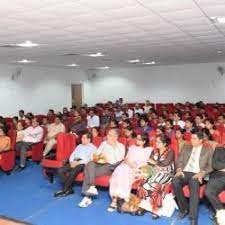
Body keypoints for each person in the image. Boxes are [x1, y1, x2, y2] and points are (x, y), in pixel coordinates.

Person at [172, 129, 213, 225]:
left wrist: (201, 173)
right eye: (191, 138)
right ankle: (184, 209)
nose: (191, 140)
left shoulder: (208, 149)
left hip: (197, 173)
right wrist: (179, 170)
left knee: (193, 183)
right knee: (175, 181)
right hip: (185, 172)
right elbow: (180, 161)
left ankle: (193, 217)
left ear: (201, 140)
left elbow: (210, 166)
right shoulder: (186, 147)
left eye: (194, 139)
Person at [78, 129, 125, 208]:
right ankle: (92, 187)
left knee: (88, 171)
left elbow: (119, 159)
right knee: (90, 164)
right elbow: (97, 153)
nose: (108, 137)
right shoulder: (104, 143)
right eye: (108, 135)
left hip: (110, 165)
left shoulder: (120, 146)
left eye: (110, 135)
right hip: (100, 163)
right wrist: (98, 156)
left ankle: (87, 197)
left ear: (116, 137)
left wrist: (113, 146)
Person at [108, 134, 152, 211]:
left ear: (144, 141)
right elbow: (126, 158)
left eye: (139, 139)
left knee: (124, 171)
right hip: (127, 165)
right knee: (121, 169)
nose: (137, 140)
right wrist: (129, 164)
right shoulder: (132, 147)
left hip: (136, 169)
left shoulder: (147, 150)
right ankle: (115, 199)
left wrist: (136, 166)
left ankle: (117, 199)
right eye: (137, 139)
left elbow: (146, 163)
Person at [138, 135, 174, 219]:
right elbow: (149, 162)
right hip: (154, 171)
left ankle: (156, 209)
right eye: (156, 142)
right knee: (143, 181)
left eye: (158, 142)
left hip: (166, 172)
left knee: (156, 184)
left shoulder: (170, 151)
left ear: (164, 143)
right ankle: (144, 206)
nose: (156, 143)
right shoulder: (154, 151)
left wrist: (155, 163)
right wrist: (155, 164)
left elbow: (165, 164)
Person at [54, 132, 97, 198]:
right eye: (82, 138)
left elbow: (89, 159)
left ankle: (64, 190)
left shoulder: (93, 148)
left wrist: (78, 163)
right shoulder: (79, 146)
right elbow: (72, 154)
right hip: (73, 162)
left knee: (73, 172)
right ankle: (69, 189)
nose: (82, 139)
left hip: (82, 164)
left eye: (84, 138)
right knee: (60, 170)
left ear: (89, 139)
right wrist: (71, 162)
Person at [205, 147, 225, 224]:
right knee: (208, 192)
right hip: (219, 176)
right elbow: (215, 165)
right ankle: (222, 214)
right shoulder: (219, 149)